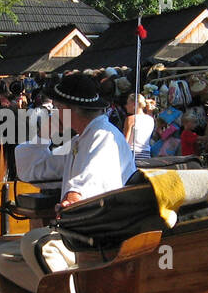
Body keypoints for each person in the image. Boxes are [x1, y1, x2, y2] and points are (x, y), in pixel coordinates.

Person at [14, 72, 136, 211]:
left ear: (66, 110)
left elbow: (94, 178)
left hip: (106, 228)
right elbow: (33, 170)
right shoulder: (80, 141)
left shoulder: (103, 136)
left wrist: (74, 196)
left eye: (57, 108)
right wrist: (44, 135)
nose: (54, 113)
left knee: (36, 234)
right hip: (86, 225)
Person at [123, 93, 155, 165]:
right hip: (146, 154)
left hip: (132, 154)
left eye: (127, 103)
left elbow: (125, 142)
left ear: (134, 104)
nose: (126, 106)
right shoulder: (150, 119)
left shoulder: (130, 119)